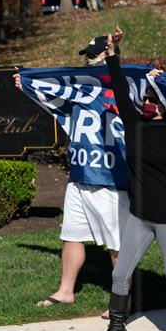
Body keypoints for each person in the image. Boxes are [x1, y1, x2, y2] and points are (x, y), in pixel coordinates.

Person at [92, 26, 166, 331]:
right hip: (140, 216)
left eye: (154, 99)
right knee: (120, 272)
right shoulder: (135, 126)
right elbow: (120, 89)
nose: (148, 103)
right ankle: (116, 328)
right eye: (146, 98)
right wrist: (113, 56)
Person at [13, 36, 129, 312]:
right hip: (79, 176)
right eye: (87, 55)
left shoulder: (123, 87)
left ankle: (122, 301)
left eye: (93, 56)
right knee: (71, 235)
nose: (87, 61)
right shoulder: (78, 88)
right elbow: (53, 97)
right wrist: (27, 83)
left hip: (109, 179)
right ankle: (66, 291)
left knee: (118, 244)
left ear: (107, 56)